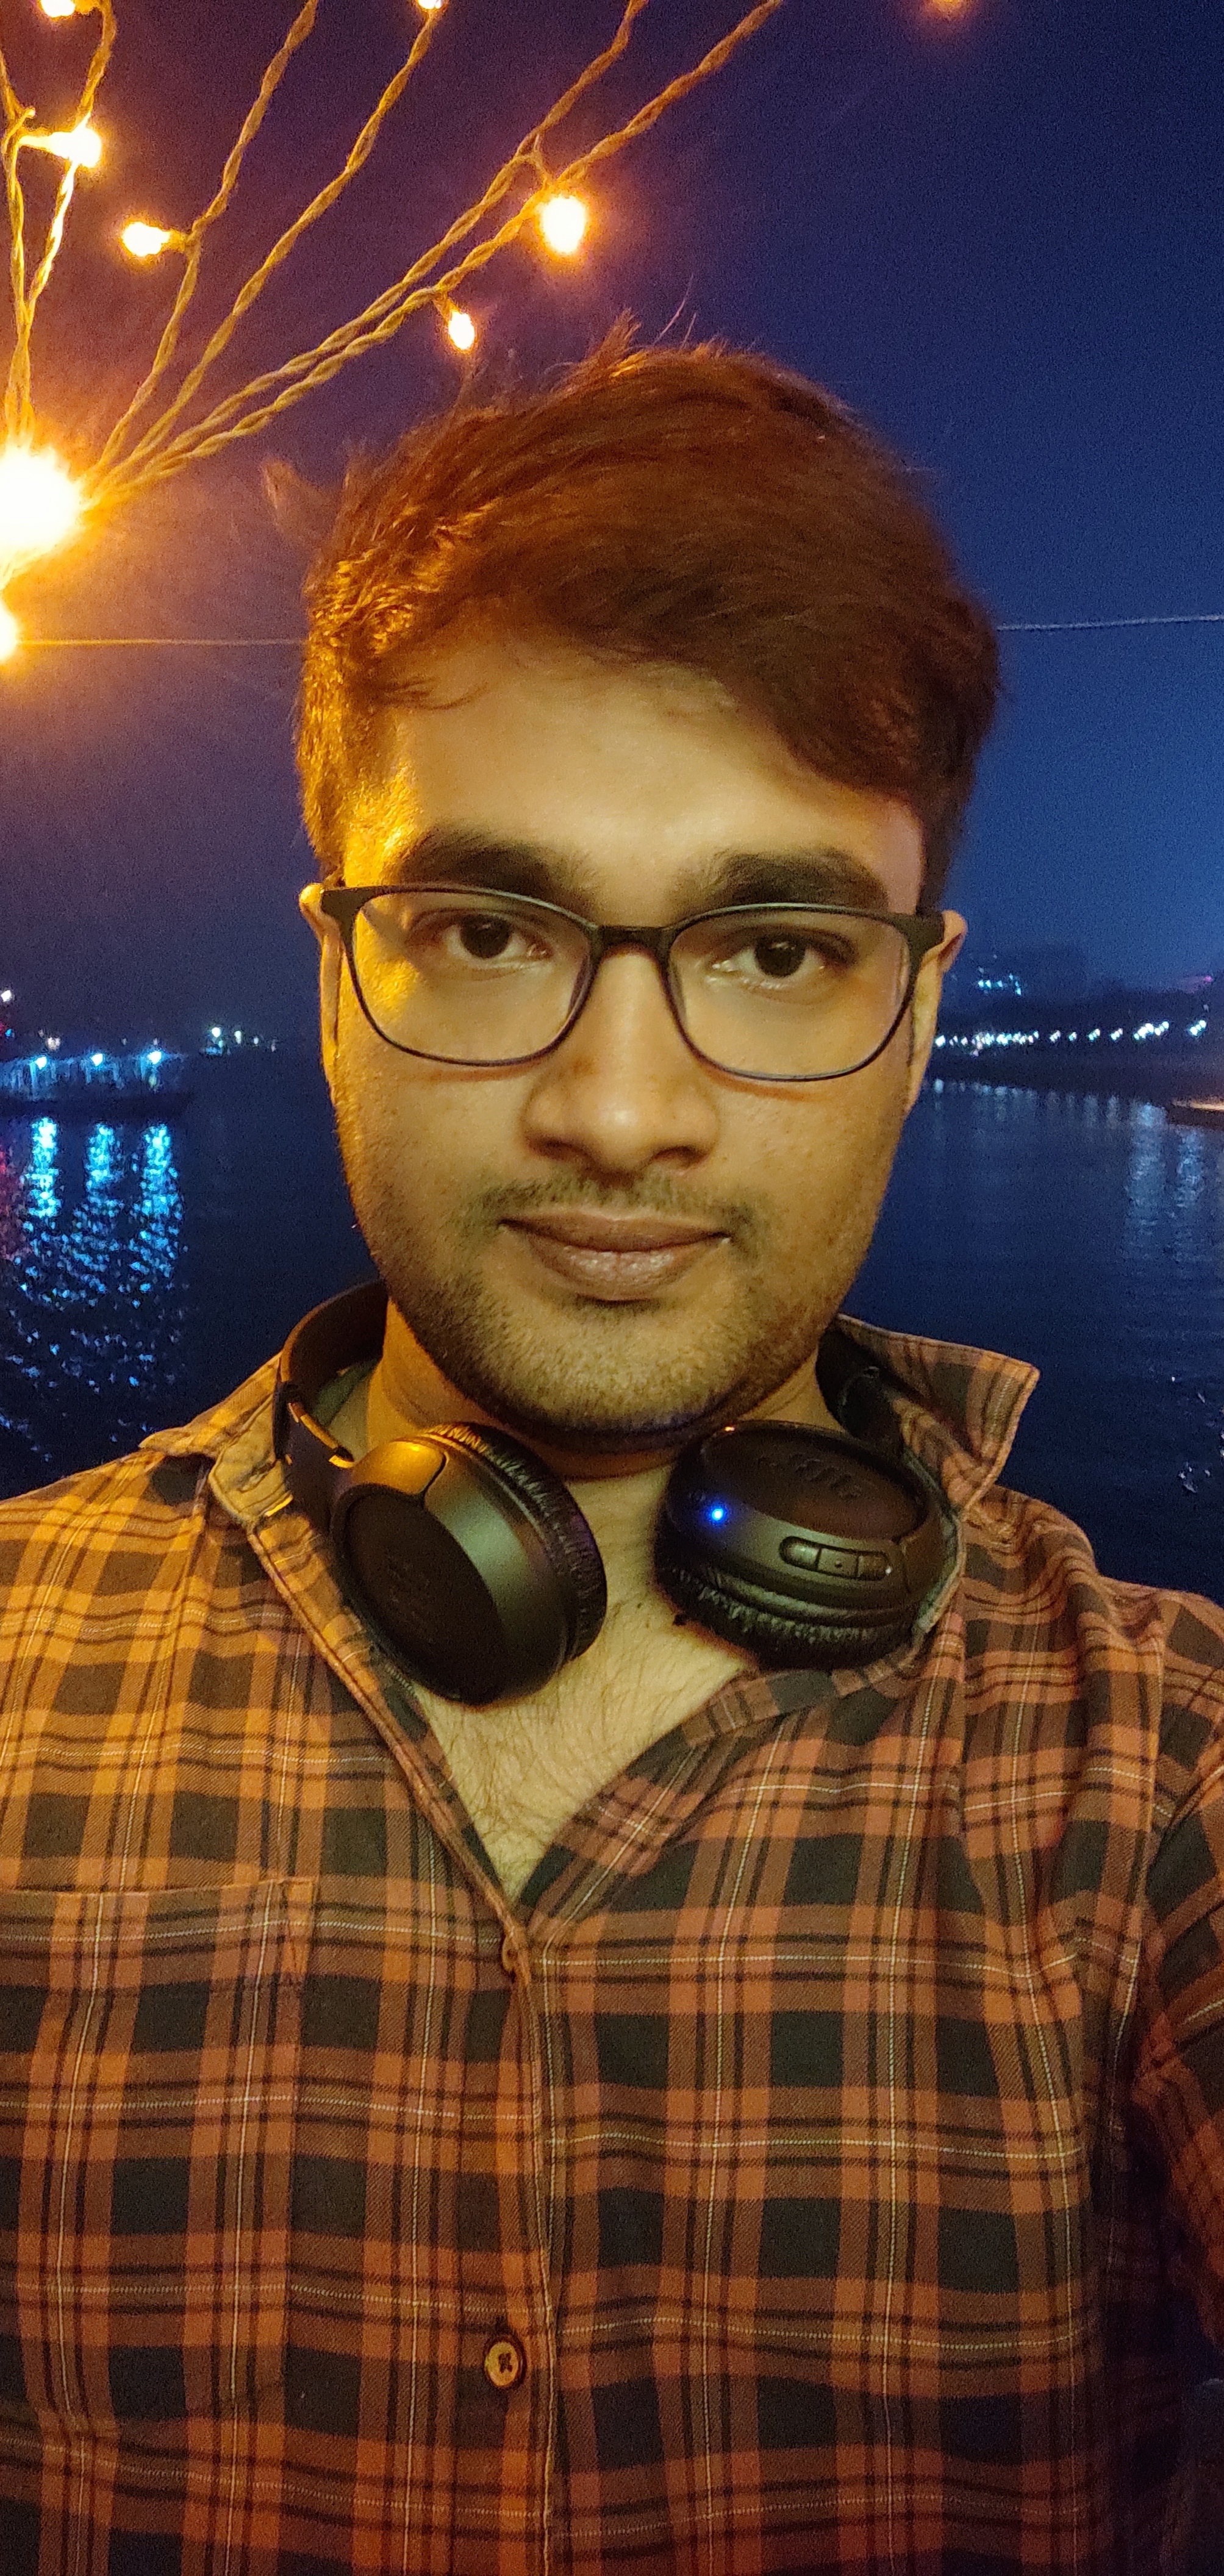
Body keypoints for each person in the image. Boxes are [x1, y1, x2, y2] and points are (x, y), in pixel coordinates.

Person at [0, 338, 1221, 2576]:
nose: (623, 1112)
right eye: (487, 933)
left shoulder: (1162, 1777)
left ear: (916, 1012)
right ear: (334, 976)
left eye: (774, 950)